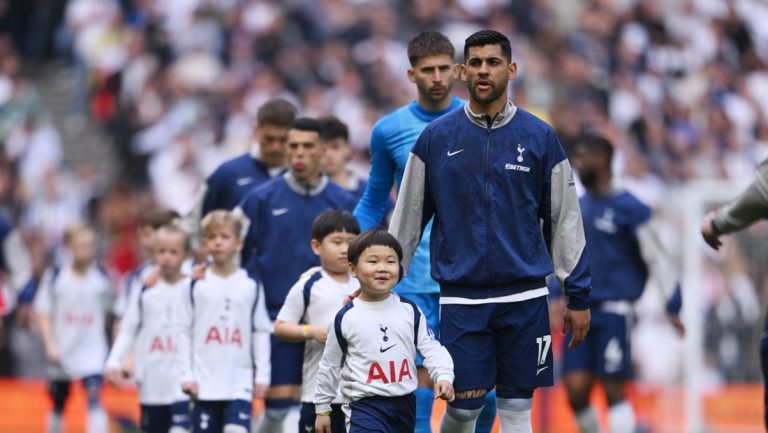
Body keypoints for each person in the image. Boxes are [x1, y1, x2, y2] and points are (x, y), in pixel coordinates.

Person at [389, 29, 592, 433]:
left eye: (493, 62)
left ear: (511, 70)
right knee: (464, 410)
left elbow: (565, 219)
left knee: (516, 411)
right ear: (463, 72)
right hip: (462, 299)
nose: (484, 70)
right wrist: (384, 285)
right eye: (476, 63)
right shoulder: (436, 139)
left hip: (525, 298)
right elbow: (407, 218)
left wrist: (578, 293)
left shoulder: (539, 137)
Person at [353, 30, 497, 433]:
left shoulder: (483, 121)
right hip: (413, 276)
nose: (436, 78)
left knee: (483, 394)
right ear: (411, 74)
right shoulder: (389, 130)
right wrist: (351, 252)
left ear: (458, 70)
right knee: (417, 383)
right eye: (427, 70)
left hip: (471, 275)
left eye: (443, 69)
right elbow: (373, 200)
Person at [236, 117, 357, 433]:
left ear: (322, 150)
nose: (299, 153)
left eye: (307, 146)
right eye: (293, 146)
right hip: (277, 319)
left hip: (331, 327)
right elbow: (232, 250)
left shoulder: (344, 202)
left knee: (327, 408)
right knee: (277, 410)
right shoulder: (260, 199)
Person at [564, 135, 684, 433]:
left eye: (584, 156)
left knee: (613, 389)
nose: (579, 163)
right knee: (575, 391)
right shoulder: (578, 207)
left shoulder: (632, 208)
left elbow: (658, 258)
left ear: (604, 160)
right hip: (578, 311)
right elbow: (563, 256)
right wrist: (556, 295)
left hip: (615, 311)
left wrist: (673, 303)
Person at [314, 230, 455, 433]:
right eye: (373, 261)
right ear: (353, 268)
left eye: (391, 261)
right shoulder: (346, 317)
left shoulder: (410, 311)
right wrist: (322, 409)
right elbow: (330, 364)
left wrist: (443, 375)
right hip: (363, 407)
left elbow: (431, 348)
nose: (383, 268)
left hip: (404, 406)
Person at [176, 210, 271, 433]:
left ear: (238, 243)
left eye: (224, 236)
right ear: (205, 243)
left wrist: (263, 375)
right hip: (204, 384)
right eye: (212, 237)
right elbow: (183, 331)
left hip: (239, 383)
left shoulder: (250, 285)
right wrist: (186, 374)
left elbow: (260, 331)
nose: (218, 242)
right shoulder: (195, 284)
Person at [274, 210, 361, 433]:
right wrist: (311, 331)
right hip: (318, 395)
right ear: (316, 246)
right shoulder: (308, 284)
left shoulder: (364, 284)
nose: (345, 249)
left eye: (351, 242)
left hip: (360, 395)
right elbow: (280, 327)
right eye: (337, 242)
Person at [701, 158, 768, 429]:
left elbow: (762, 189)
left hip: (740, 358)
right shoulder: (716, 286)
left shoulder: (742, 288)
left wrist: (716, 223)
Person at [105, 224, 192, 433]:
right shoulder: (144, 289)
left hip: (182, 382)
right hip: (153, 382)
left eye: (174, 252)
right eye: (161, 251)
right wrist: (115, 360)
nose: (167, 257)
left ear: (185, 255)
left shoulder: (193, 288)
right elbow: (128, 327)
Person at [33, 222, 112, 433]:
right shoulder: (56, 276)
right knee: (58, 402)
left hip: (92, 351)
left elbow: (107, 313)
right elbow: (42, 312)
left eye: (90, 245)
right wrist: (50, 344)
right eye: (81, 245)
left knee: (95, 398)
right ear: (69, 246)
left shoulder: (102, 278)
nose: (86, 250)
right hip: (63, 349)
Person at [184, 98, 297, 244]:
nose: (275, 147)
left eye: (283, 140)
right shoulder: (227, 174)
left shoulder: (303, 180)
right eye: (269, 139)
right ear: (256, 130)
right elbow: (193, 225)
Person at [112, 208, 181, 337]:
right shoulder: (134, 278)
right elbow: (121, 321)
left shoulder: (192, 273)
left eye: (147, 235)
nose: (142, 241)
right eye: (141, 236)